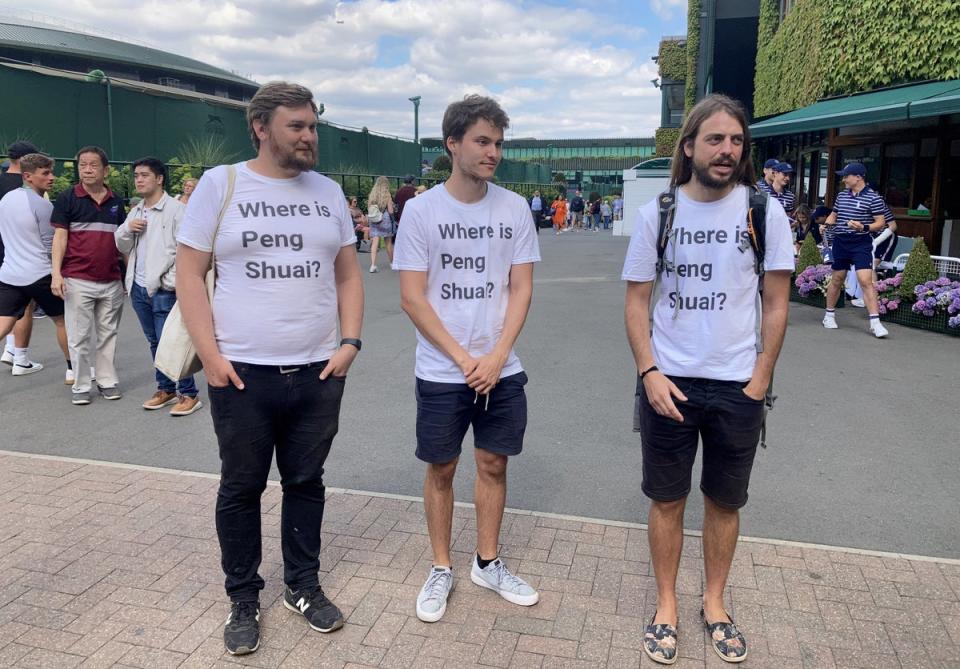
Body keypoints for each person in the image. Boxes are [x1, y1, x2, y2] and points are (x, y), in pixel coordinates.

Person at [176, 81, 363, 656]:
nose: (310, 136)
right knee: (242, 487)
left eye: (313, 126)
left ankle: (301, 585)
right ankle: (243, 596)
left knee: (306, 482)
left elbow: (348, 274)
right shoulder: (221, 184)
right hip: (242, 374)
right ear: (261, 127)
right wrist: (209, 356)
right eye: (297, 126)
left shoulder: (328, 192)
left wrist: (350, 342)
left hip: (317, 371)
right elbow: (189, 274)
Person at [623, 94, 793, 665]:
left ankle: (714, 603)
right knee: (667, 501)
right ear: (689, 145)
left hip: (737, 386)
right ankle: (666, 604)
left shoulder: (764, 212)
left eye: (736, 141)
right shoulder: (660, 214)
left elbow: (775, 303)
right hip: (669, 383)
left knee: (724, 502)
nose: (727, 150)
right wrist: (648, 370)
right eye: (715, 139)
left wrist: (759, 376)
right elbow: (636, 300)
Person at [393, 94, 541, 624]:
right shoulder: (422, 210)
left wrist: (497, 355)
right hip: (442, 369)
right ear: (452, 143)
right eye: (482, 141)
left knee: (494, 464)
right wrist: (463, 359)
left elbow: (521, 289)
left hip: (502, 367)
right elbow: (413, 296)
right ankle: (440, 566)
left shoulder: (514, 208)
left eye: (499, 143)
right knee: (442, 468)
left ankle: (487, 562)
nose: (493, 152)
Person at [115, 157, 201, 416]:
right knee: (154, 341)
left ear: (159, 178)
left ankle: (189, 393)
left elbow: (186, 250)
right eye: (136, 176)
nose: (138, 180)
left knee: (172, 341)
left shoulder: (176, 210)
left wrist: (169, 282)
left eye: (144, 175)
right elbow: (120, 244)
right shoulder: (137, 210)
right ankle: (165, 388)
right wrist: (128, 229)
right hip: (138, 286)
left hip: (164, 288)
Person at [51, 146, 126, 405]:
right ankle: (82, 385)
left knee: (108, 335)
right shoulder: (67, 198)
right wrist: (56, 275)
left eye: (93, 165)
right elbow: (60, 239)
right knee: (79, 335)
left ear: (105, 170)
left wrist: (127, 276)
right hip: (77, 279)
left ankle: (106, 380)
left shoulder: (116, 201)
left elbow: (122, 241)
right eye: (83, 165)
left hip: (111, 280)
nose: (87, 169)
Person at [0, 153, 70, 376]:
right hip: (40, 274)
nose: (52, 177)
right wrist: (59, 273)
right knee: (63, 321)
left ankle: (21, 360)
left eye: (51, 172)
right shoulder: (44, 207)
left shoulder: (6, 200)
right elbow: (53, 247)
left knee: (4, 325)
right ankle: (74, 370)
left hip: (10, 274)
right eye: (46, 173)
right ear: (28, 176)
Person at [822, 163, 889, 337]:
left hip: (861, 242)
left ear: (858, 177)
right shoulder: (841, 195)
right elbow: (834, 214)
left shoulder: (874, 198)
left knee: (865, 280)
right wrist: (827, 223)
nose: (843, 179)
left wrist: (863, 226)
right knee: (837, 278)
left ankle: (875, 322)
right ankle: (829, 315)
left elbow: (881, 222)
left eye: (846, 176)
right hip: (841, 241)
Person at [0, 140, 42, 372]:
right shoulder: (30, 186)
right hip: (20, 252)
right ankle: (20, 357)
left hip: (3, 251)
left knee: (6, 304)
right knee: (25, 303)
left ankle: (10, 349)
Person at [366, 176, 396, 273]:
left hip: (374, 219)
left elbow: (369, 208)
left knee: (375, 241)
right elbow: (390, 210)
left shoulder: (372, 194)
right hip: (385, 219)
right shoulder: (387, 195)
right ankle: (392, 263)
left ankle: (373, 265)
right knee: (388, 242)